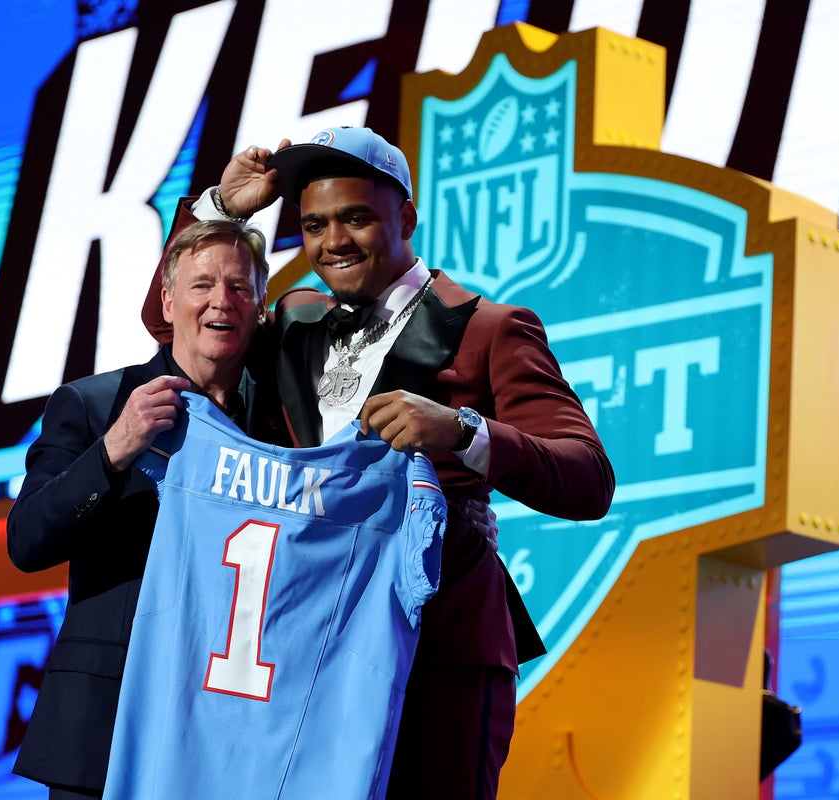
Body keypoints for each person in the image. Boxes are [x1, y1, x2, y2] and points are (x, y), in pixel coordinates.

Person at [143, 127, 615, 799]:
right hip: (309, 640)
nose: (333, 241)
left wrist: (461, 431)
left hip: (441, 643)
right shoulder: (294, 321)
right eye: (314, 225)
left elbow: (589, 478)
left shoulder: (491, 328)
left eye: (356, 218)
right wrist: (221, 212)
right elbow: (179, 328)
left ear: (407, 219)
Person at [7, 219, 277, 800]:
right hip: (105, 727)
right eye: (202, 285)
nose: (221, 301)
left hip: (230, 732)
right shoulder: (94, 404)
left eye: (240, 287)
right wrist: (113, 450)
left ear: (260, 306)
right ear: (168, 302)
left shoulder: (283, 425)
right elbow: (26, 540)